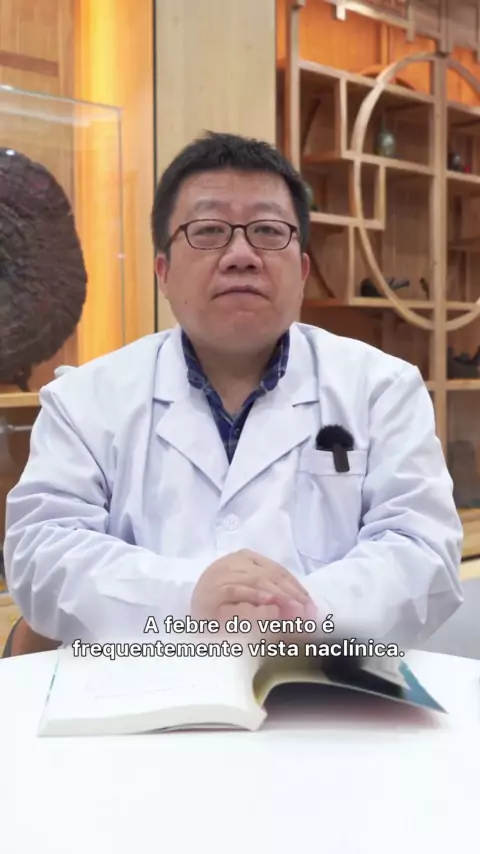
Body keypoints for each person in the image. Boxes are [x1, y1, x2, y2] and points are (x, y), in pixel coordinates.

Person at [3, 131, 463, 650]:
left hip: (325, 678)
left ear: (302, 270)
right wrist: (187, 598)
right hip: (139, 684)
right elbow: (40, 555)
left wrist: (302, 613)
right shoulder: (85, 399)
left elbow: (423, 551)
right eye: (208, 231)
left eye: (268, 231)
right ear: (163, 272)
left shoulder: (382, 389)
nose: (241, 255)